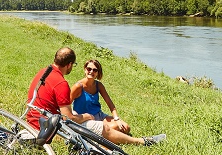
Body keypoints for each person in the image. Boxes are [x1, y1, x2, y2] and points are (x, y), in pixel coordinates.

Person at [25, 48, 163, 147]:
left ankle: (107, 138)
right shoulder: (61, 83)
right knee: (103, 128)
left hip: (36, 119)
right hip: (47, 126)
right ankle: (142, 141)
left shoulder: (43, 72)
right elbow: (68, 118)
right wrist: (85, 116)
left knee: (117, 126)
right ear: (69, 64)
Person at [70, 58, 165, 147]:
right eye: (89, 69)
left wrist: (117, 119)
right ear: (85, 69)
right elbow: (66, 104)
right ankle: (141, 141)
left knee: (125, 127)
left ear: (98, 73)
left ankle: (105, 137)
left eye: (95, 70)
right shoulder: (78, 86)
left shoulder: (99, 85)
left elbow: (110, 103)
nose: (91, 72)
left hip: (99, 115)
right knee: (110, 128)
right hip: (86, 119)